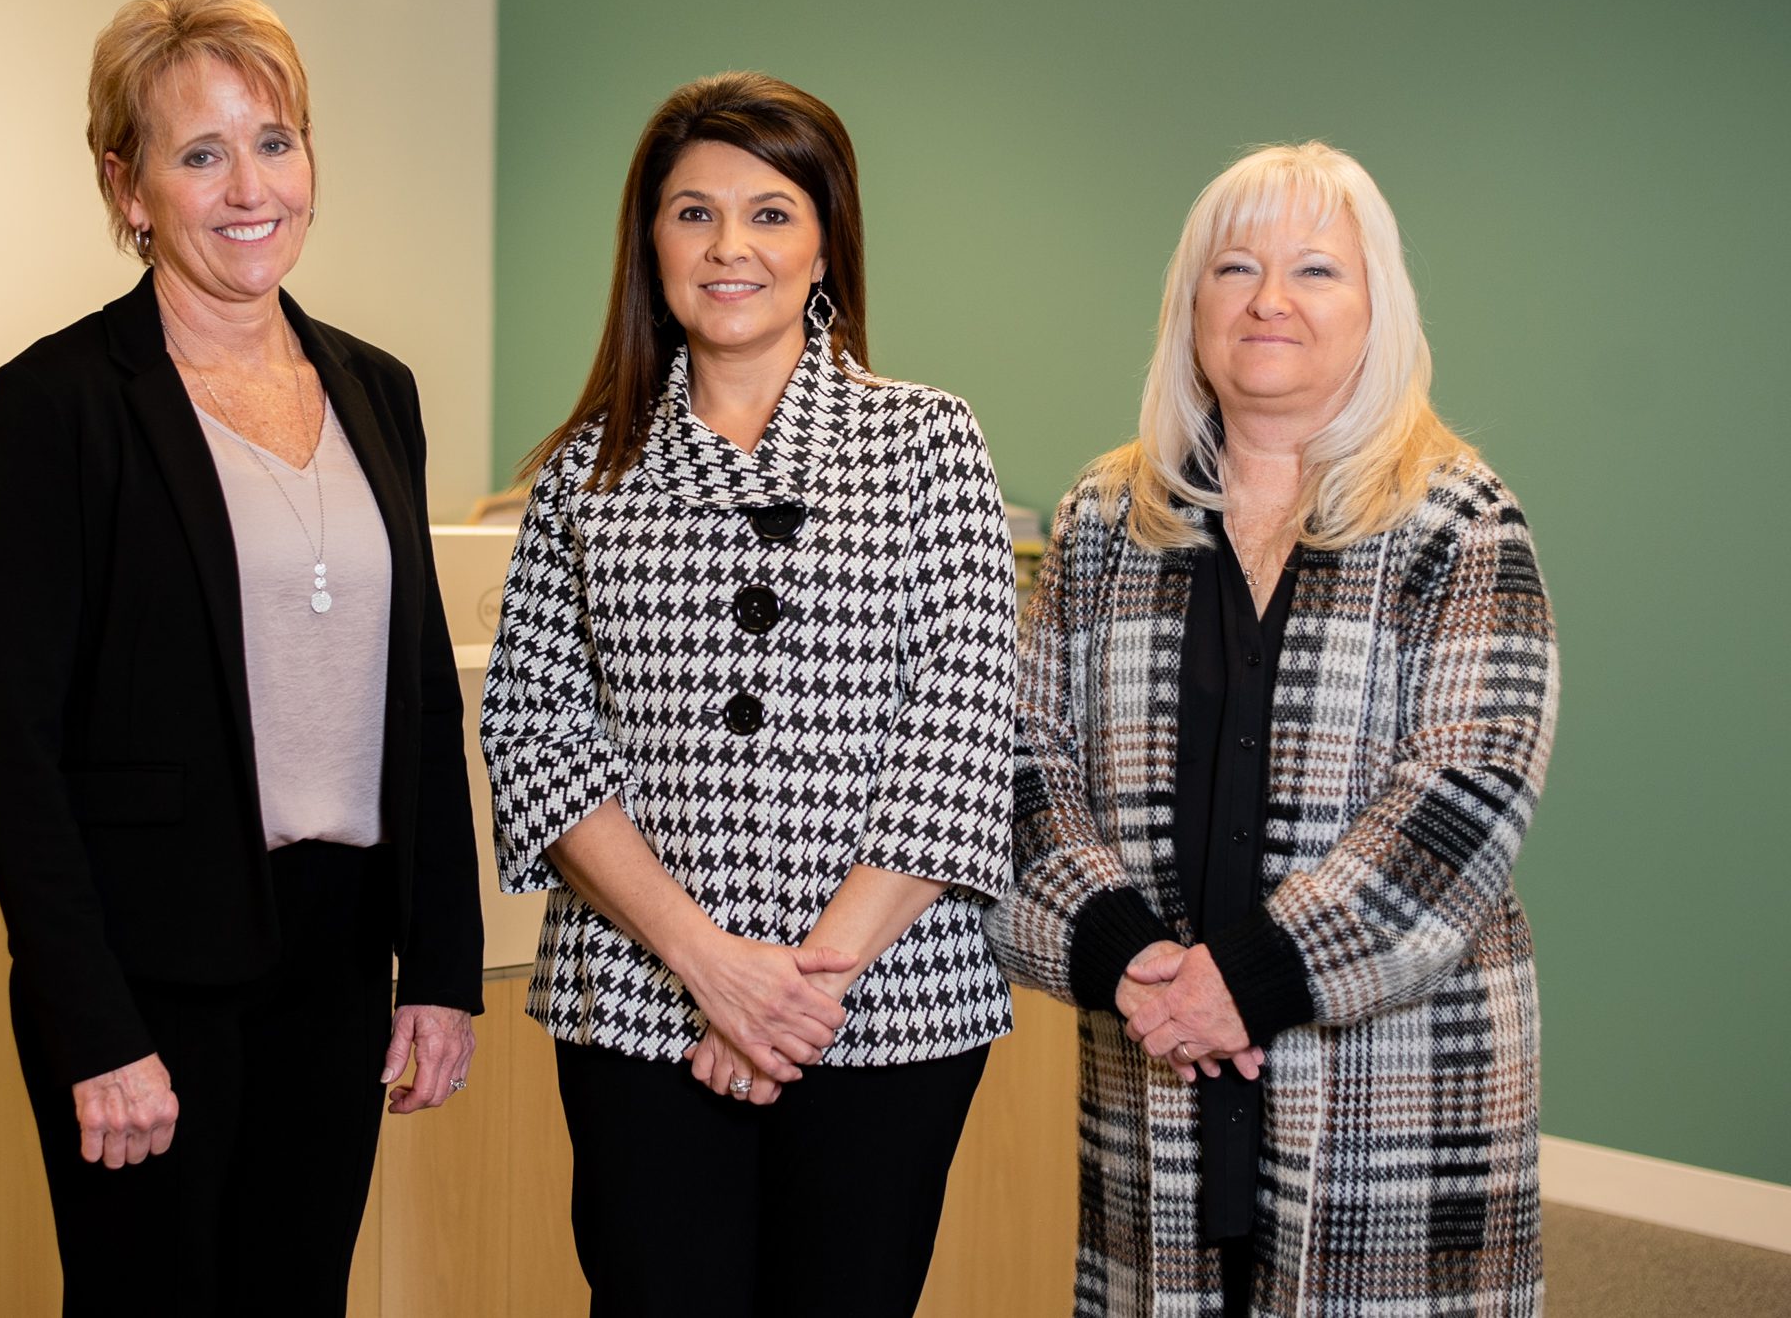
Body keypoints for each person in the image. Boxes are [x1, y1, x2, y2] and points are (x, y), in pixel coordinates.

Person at [0, 0, 482, 1316]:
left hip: (336, 954)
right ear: (127, 185)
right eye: (200, 152)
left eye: (274, 140)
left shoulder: (377, 387)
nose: (249, 186)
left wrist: (440, 965)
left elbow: (419, 692)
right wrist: (94, 1025)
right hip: (148, 968)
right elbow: (9, 744)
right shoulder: (61, 403)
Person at [986, 141, 1559, 1315]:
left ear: (1375, 308)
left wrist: (1243, 982)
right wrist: (1131, 961)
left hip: (1392, 1081)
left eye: (1314, 271)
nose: (1268, 302)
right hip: (1153, 1059)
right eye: (1233, 268)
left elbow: (1467, 795)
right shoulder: (1107, 516)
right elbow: (1016, 760)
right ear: (1189, 304)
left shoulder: (1457, 518)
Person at [480, 71, 1017, 1318]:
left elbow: (959, 735)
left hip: (884, 1009)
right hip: (637, 1003)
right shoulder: (585, 473)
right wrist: (709, 968)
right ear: (649, 241)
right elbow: (534, 736)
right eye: (692, 213)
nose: (731, 248)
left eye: (771, 213)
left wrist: (791, 992)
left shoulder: (931, 443)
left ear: (826, 240)